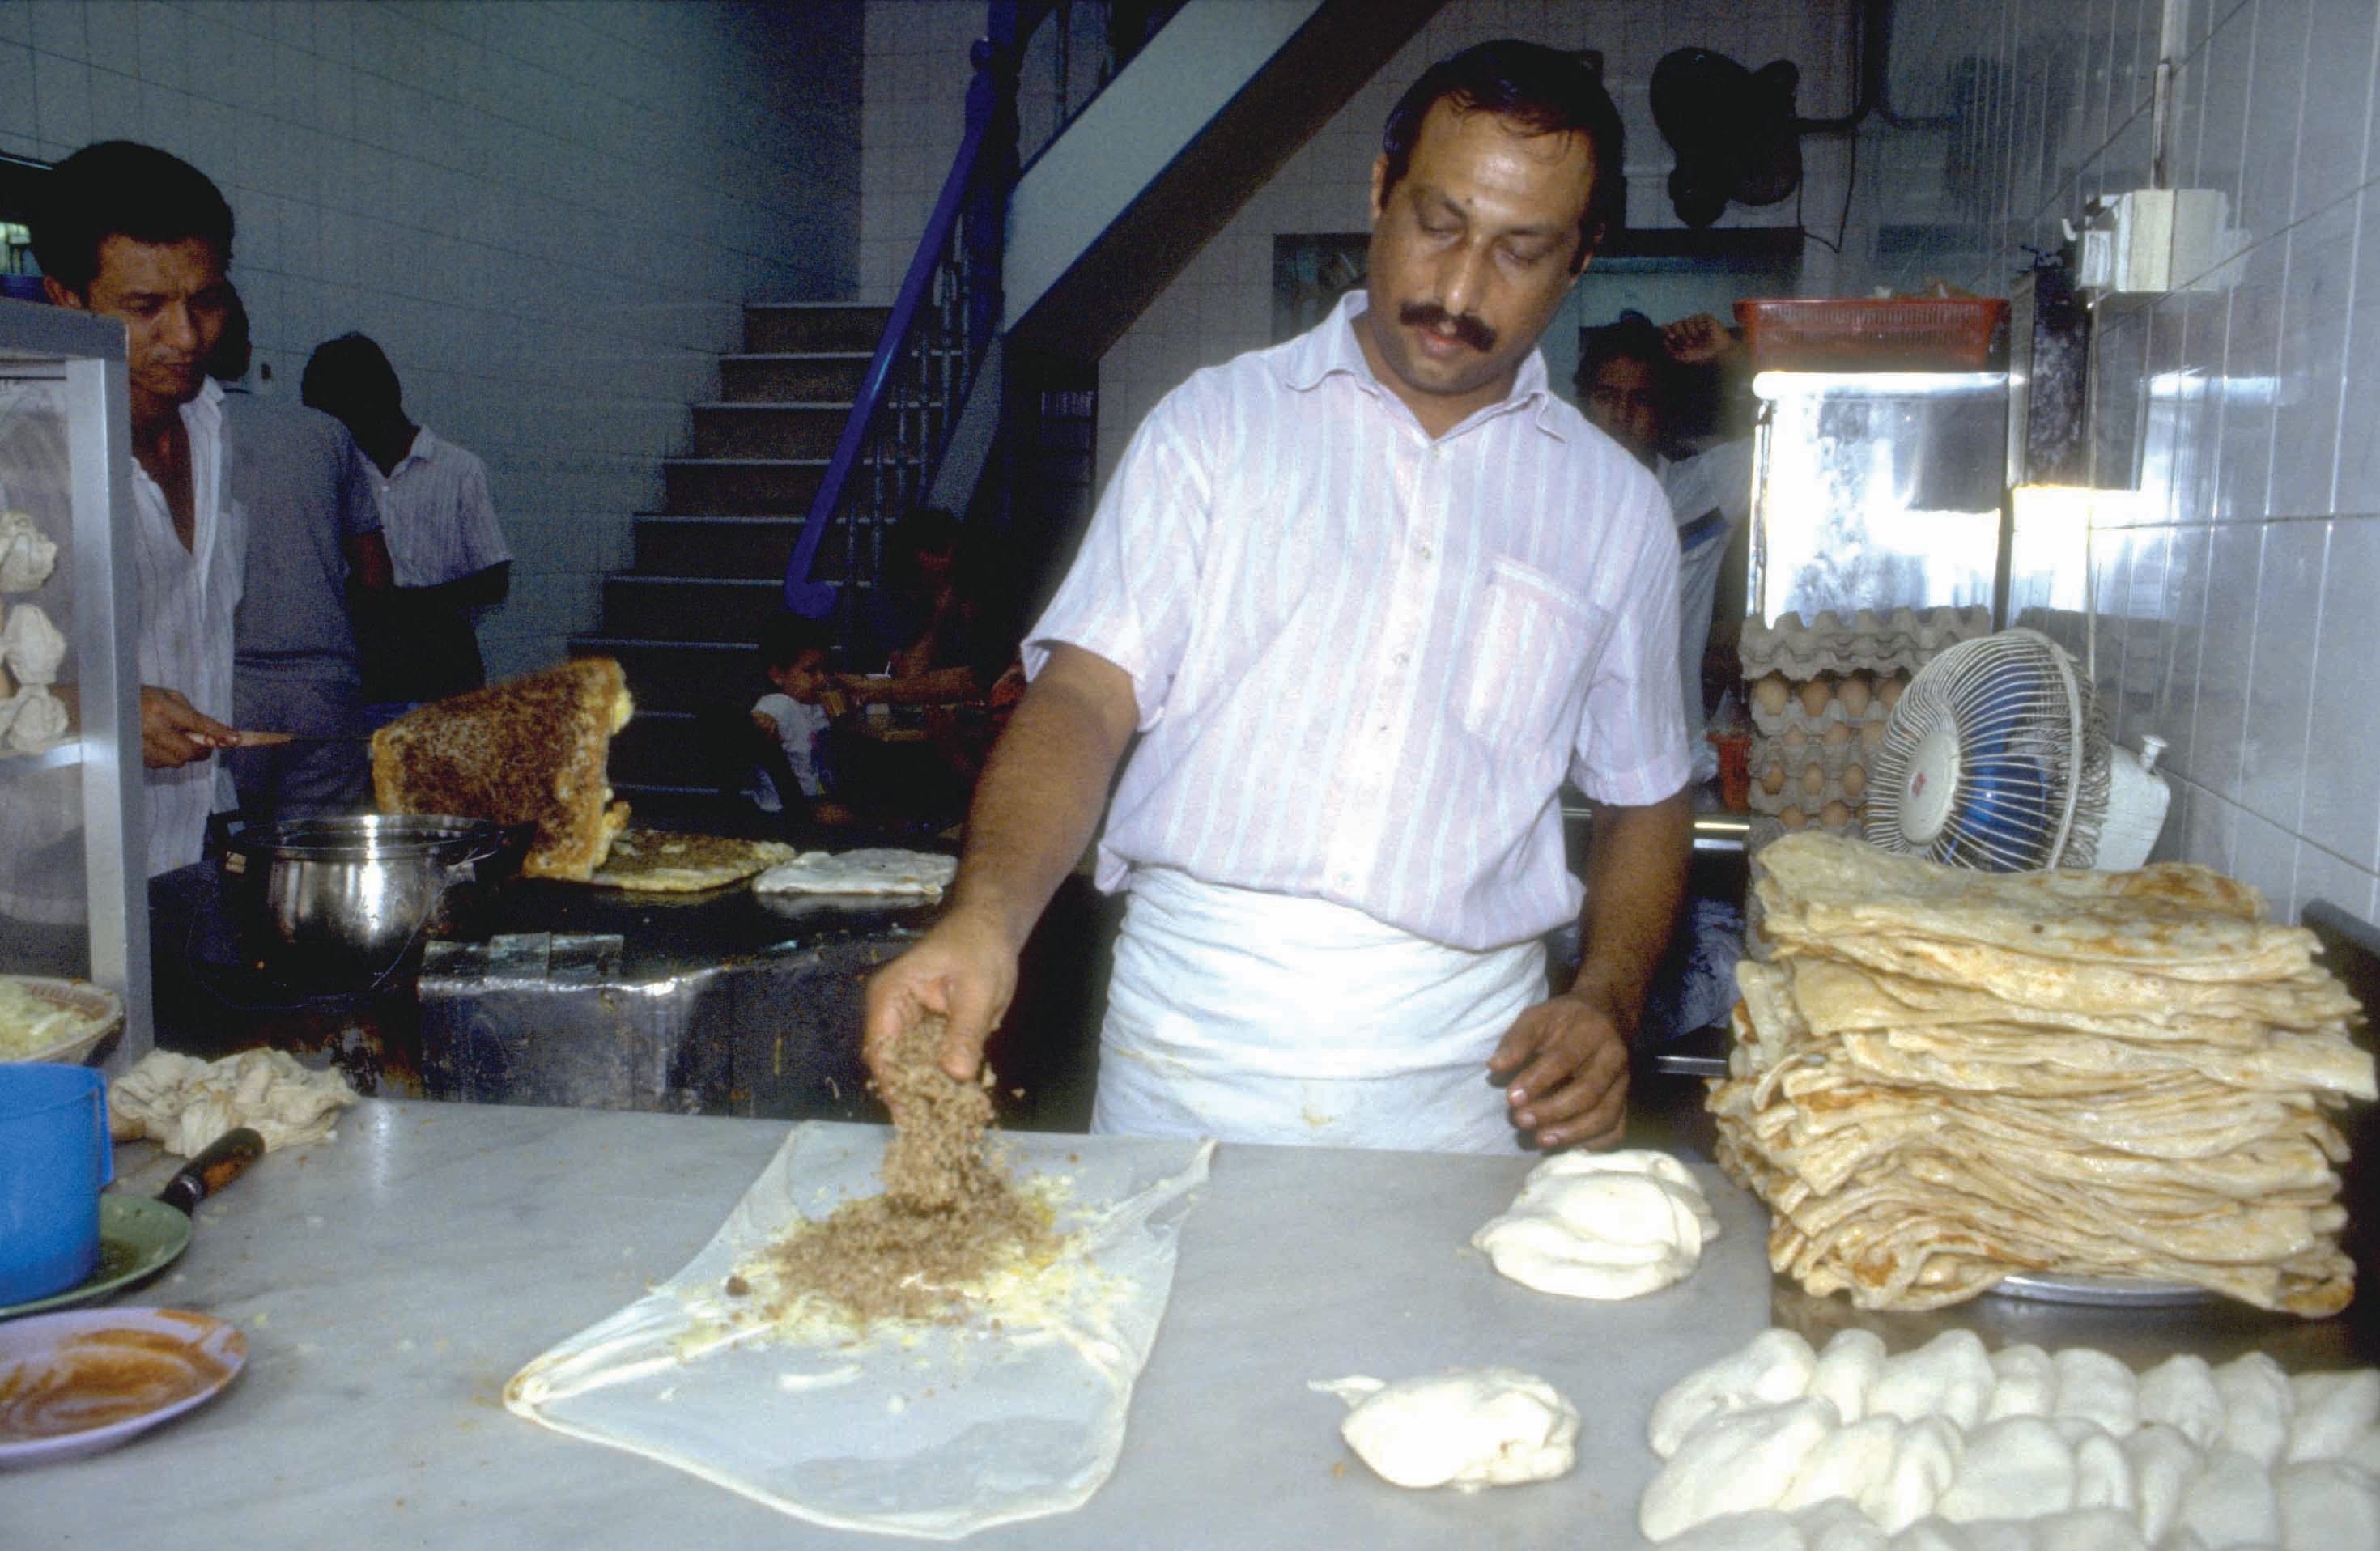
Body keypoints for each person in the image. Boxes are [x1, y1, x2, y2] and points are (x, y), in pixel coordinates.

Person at [863, 40, 1692, 1154]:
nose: (1456, 291)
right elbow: (1083, 701)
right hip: (1192, 1055)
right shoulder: (1214, 430)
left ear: (1582, 258)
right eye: (1437, 225)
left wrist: (1609, 999)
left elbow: (1647, 793)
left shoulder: (1614, 509)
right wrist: (985, 915)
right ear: (1379, 191)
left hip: (1467, 1089)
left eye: (1520, 252)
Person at [32, 140, 279, 874]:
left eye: (205, 301)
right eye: (146, 309)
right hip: (49, 880)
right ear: (65, 299)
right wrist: (97, 709)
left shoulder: (213, 426)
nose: (187, 337)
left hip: (188, 848)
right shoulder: (20, 448)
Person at [209, 287, 394, 822]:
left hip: (223, 691)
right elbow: (377, 574)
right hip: (324, 689)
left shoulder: (166, 435)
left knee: (221, 859)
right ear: (247, 355)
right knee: (314, 868)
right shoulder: (326, 433)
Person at [1575, 311, 1756, 784]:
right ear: (1582, 403)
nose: (1620, 415)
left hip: (1671, 765)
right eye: (1606, 397)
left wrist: (1733, 357)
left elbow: (1803, 426)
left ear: (1664, 412)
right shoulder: (1543, 497)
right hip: (1565, 769)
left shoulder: (1701, 490)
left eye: (1642, 400)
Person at [298, 334, 509, 708]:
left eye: (339, 419)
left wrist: (407, 608)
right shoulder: (339, 475)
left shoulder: (460, 469)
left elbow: (494, 580)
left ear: (373, 403)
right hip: (369, 668)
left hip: (445, 661)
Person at [744, 612, 852, 826]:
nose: (822, 679)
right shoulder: (779, 704)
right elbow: (758, 718)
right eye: (811, 671)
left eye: (825, 670)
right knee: (876, 819)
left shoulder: (812, 705)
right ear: (777, 675)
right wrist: (760, 721)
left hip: (811, 802)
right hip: (785, 812)